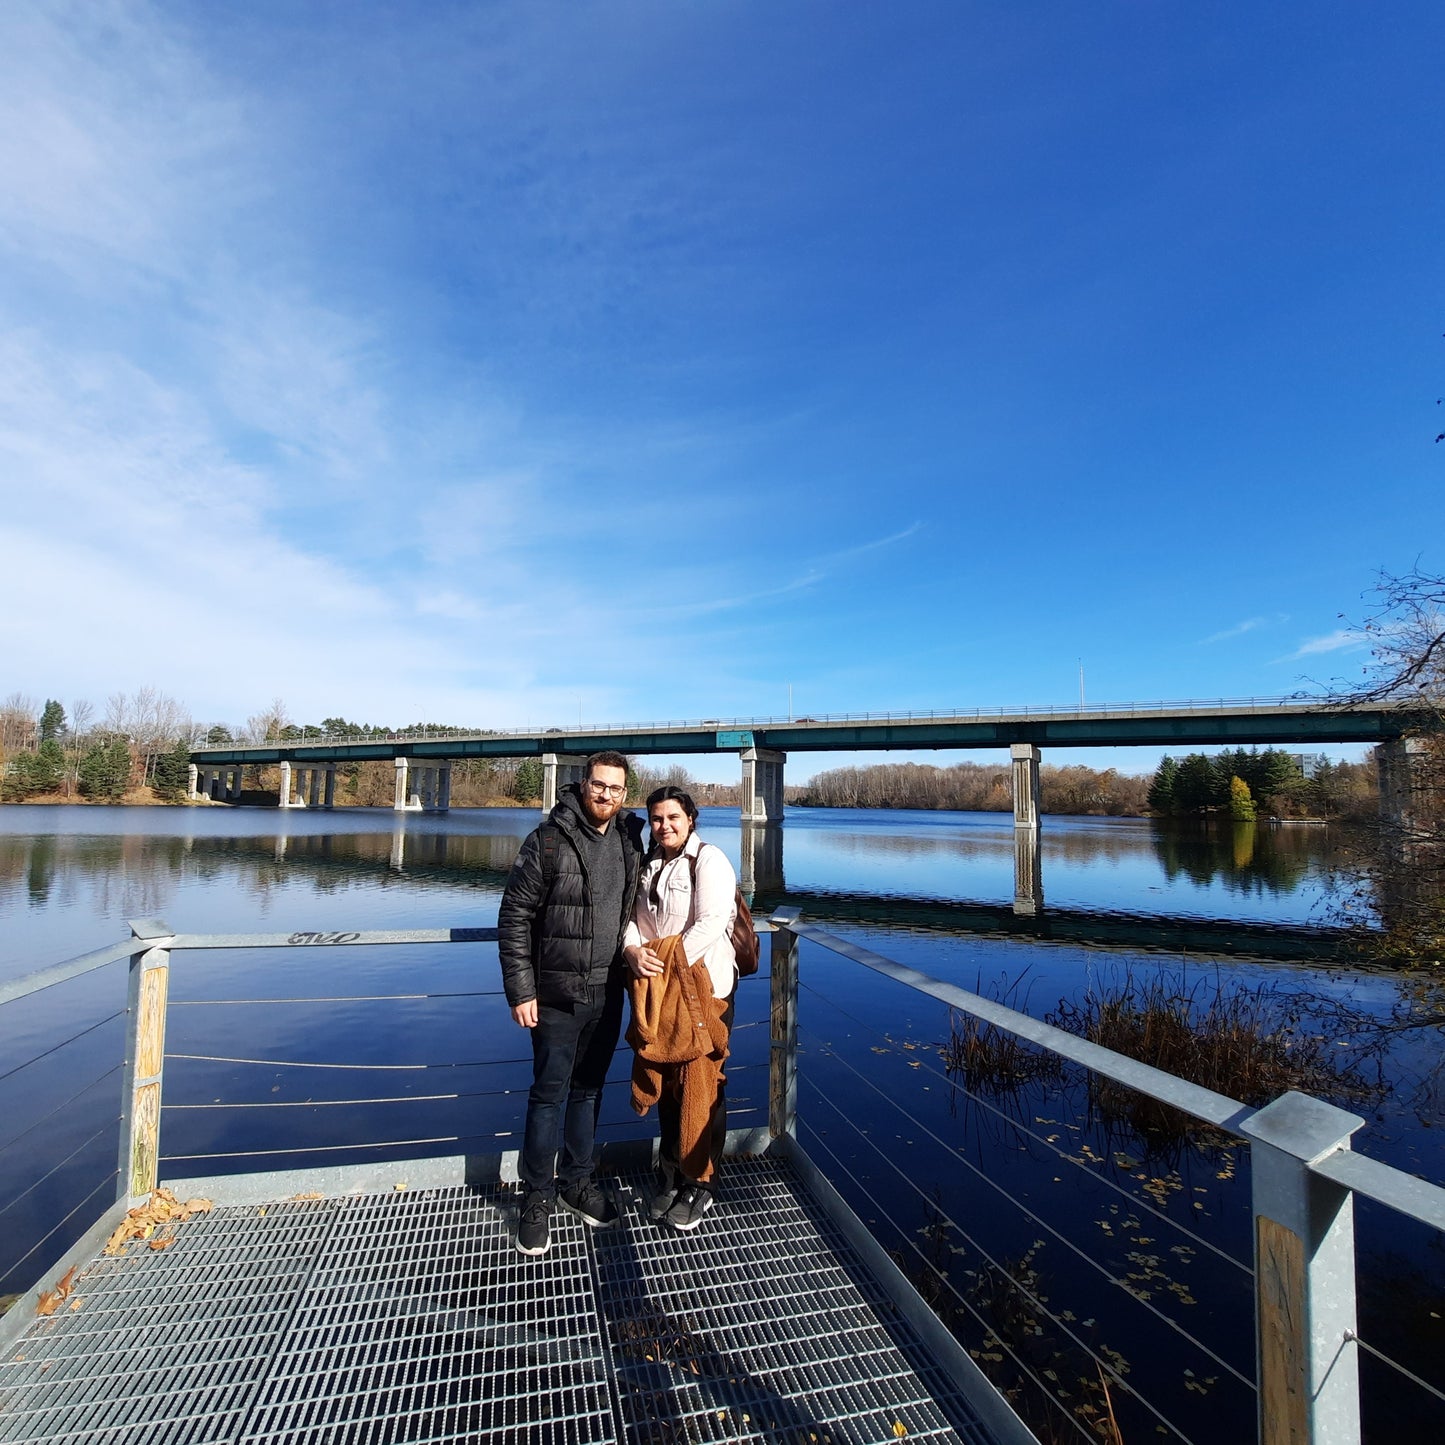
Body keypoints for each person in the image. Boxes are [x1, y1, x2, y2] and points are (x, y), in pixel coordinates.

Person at [498, 751, 645, 1257]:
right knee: (548, 1097)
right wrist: (521, 990)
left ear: (626, 793)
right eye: (600, 786)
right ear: (583, 785)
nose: (607, 795)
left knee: (588, 1092)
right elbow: (514, 917)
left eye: (617, 789)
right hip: (557, 997)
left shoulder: (630, 839)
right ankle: (536, 1197)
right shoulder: (549, 840)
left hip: (609, 992)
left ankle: (577, 1182)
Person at [623, 785, 740, 1231]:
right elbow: (633, 921)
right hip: (659, 988)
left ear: (691, 818)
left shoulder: (709, 860)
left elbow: (712, 921)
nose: (664, 826)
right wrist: (633, 952)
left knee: (704, 1082)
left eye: (673, 817)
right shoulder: (649, 863)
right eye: (656, 819)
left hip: (706, 988)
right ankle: (670, 1176)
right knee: (670, 1078)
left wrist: (670, 964)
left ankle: (702, 1184)